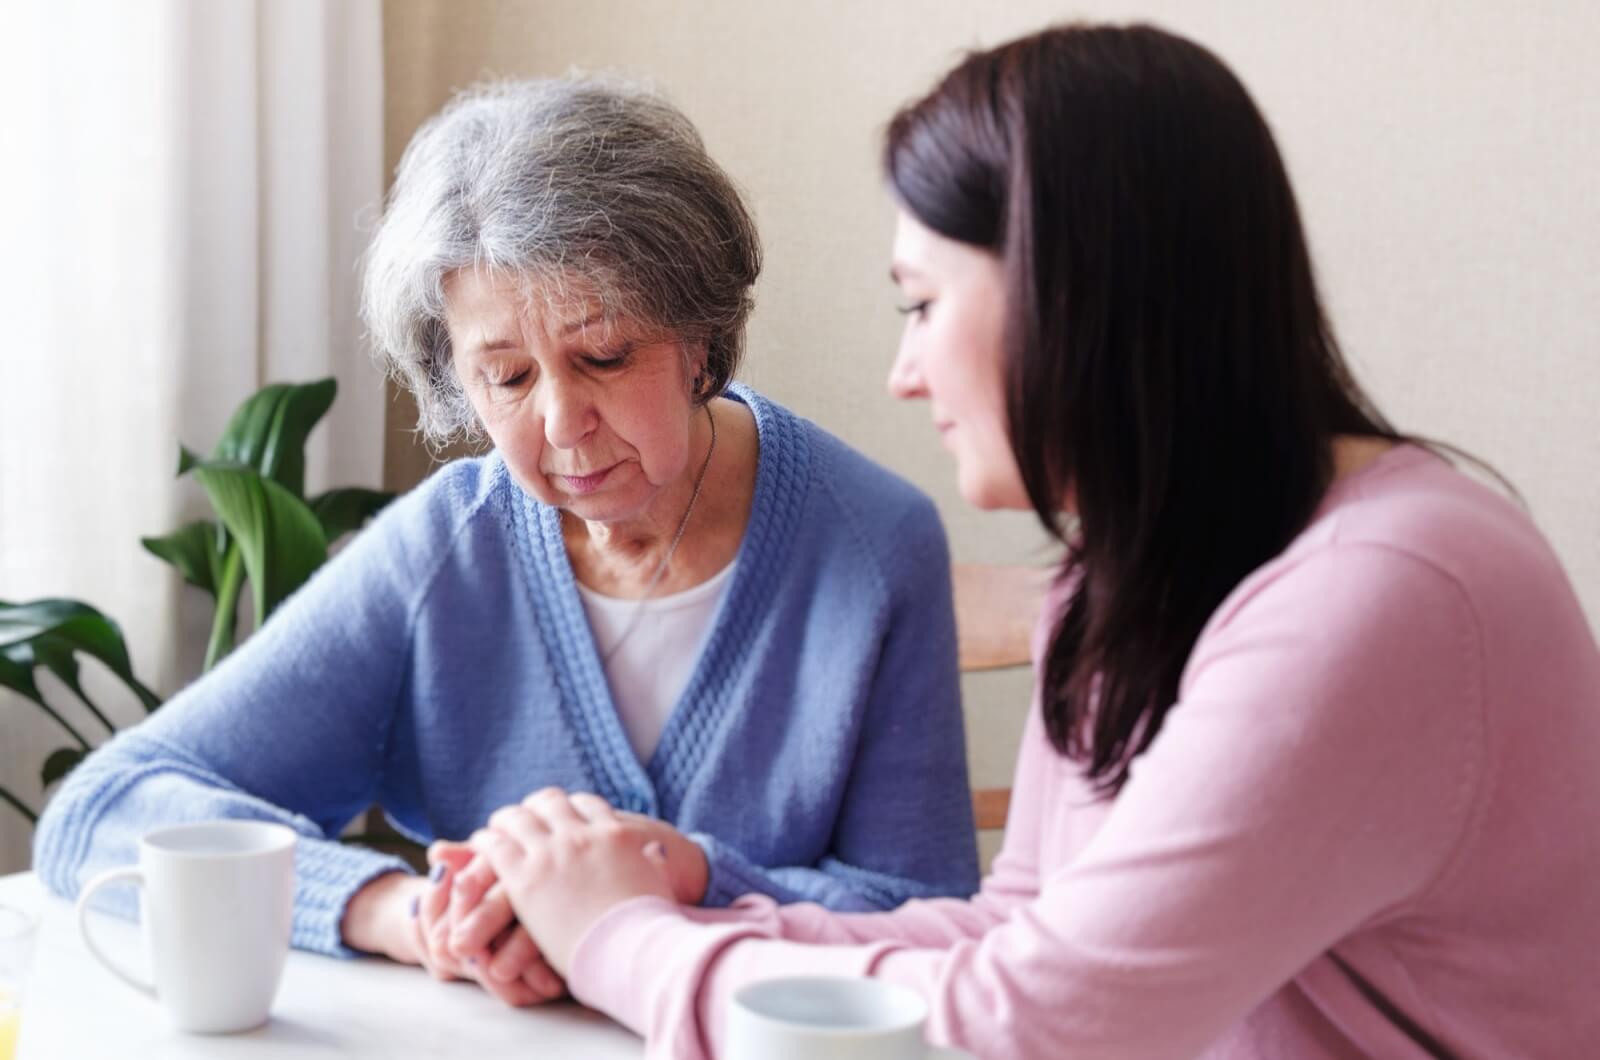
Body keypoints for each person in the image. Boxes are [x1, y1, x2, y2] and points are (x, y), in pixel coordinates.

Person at [452, 24, 1600, 1058]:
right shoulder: (1133, 573)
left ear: (1071, 290)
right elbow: (1021, 929)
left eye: (920, 303)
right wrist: (673, 901)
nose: (904, 373)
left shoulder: (1383, 596)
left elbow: (1039, 1022)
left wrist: (619, 941)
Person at [33, 78, 980, 1009]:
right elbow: (103, 809)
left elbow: (927, 921)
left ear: (700, 335)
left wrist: (676, 879)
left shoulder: (874, 544)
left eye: (603, 356)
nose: (563, 424)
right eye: (508, 377)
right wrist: (403, 910)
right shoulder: (447, 550)